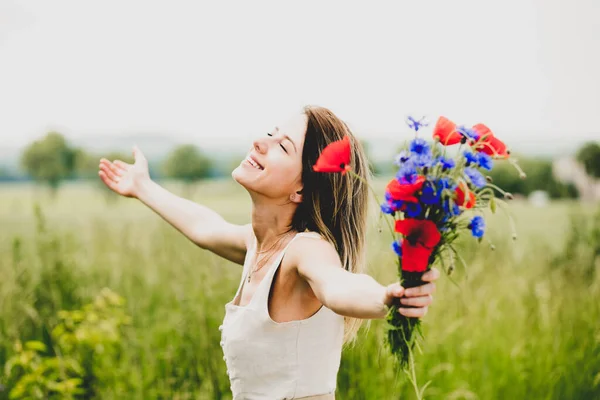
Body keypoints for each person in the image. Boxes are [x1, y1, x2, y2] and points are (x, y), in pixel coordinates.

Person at [98, 105, 440, 400]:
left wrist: (385, 296)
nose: (260, 142)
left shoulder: (306, 249)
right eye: (270, 134)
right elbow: (204, 228)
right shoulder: (259, 245)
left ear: (303, 186)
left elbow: (338, 286)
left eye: (282, 146)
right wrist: (142, 186)